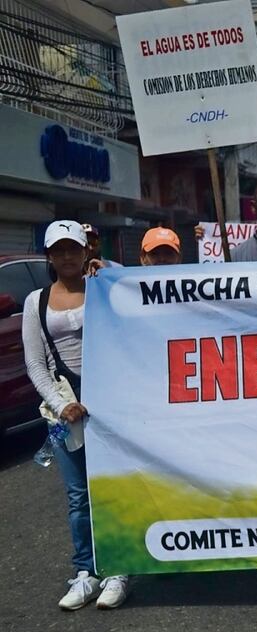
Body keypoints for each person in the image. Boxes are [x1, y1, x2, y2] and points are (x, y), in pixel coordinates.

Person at [22, 220, 130, 610]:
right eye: (59, 250)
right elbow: (34, 363)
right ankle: (87, 572)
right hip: (66, 407)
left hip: (111, 401)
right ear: (49, 255)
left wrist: (111, 270)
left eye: (74, 248)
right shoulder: (35, 302)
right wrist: (59, 402)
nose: (67, 256)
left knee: (114, 488)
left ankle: (119, 568)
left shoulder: (105, 286)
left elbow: (143, 293)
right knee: (78, 494)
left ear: (86, 251)